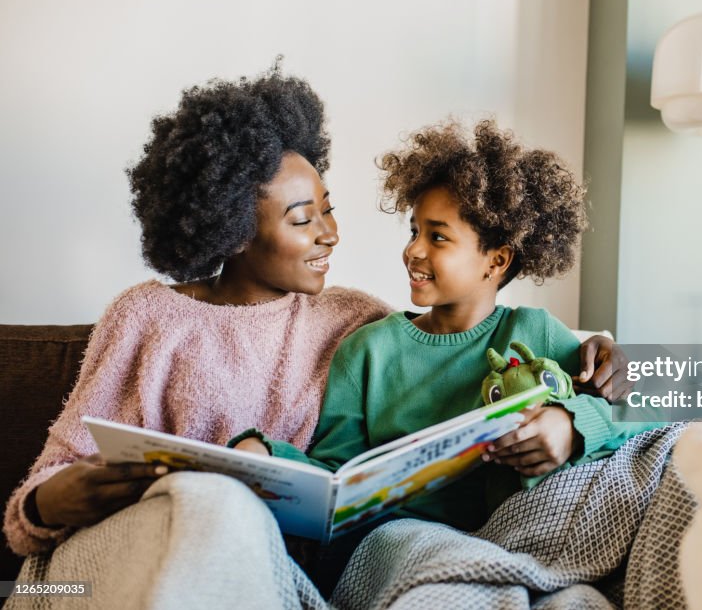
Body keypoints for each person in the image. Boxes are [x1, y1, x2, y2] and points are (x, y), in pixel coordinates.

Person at [2, 73, 626, 587]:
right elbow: (36, 499)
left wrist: (595, 368)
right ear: (233, 229)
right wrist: (53, 501)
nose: (331, 234)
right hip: (128, 546)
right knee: (211, 502)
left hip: (265, 570)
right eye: (305, 219)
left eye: (330, 208)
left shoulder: (357, 322)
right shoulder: (145, 316)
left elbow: (455, 340)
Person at [235, 120, 660, 583]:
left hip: (514, 536)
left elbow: (648, 409)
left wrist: (572, 425)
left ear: (496, 260)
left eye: (437, 237)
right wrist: (267, 455)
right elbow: (338, 475)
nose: (413, 250)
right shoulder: (367, 351)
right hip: (394, 542)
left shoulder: (532, 332)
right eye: (414, 231)